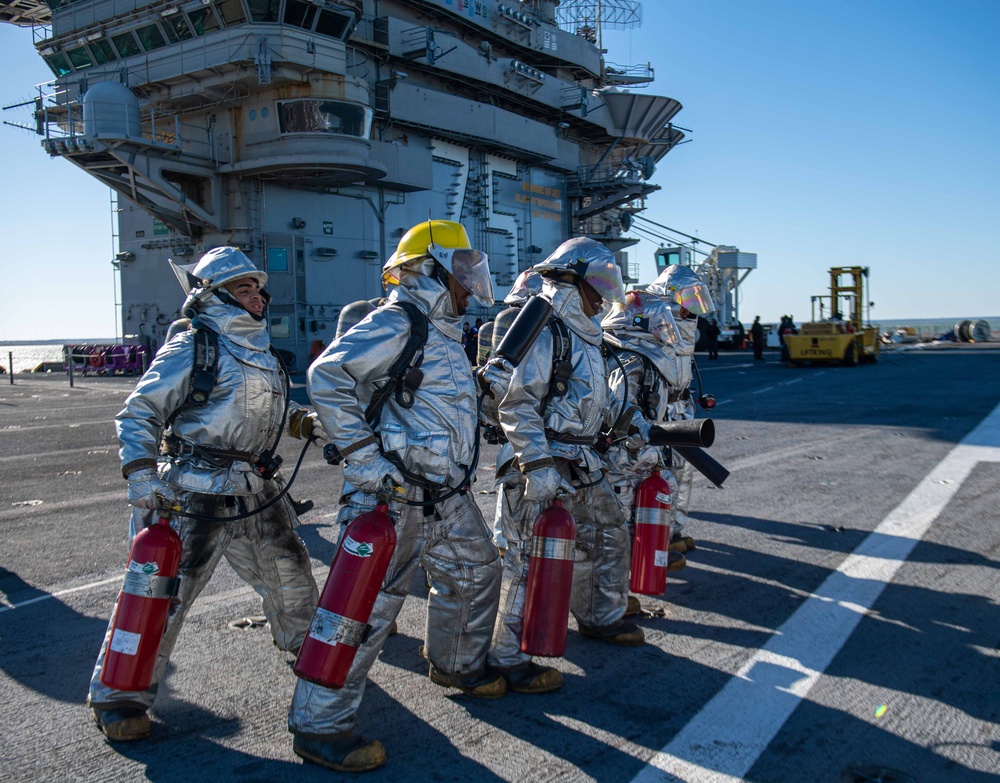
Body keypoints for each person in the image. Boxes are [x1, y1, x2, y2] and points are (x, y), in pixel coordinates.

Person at [289, 220, 504, 773]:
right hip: (393, 495)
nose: (469, 280)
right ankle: (320, 726)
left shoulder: (448, 332)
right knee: (364, 608)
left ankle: (457, 665)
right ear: (430, 267)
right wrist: (364, 461)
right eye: (461, 268)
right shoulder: (399, 319)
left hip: (445, 493)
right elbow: (328, 373)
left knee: (477, 570)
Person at [87, 247, 321, 743]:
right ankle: (120, 695)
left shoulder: (259, 352)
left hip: (255, 490)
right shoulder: (193, 345)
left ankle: (315, 665)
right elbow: (138, 413)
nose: (256, 296)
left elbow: (267, 413)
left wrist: (306, 423)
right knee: (163, 597)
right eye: (243, 289)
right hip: (192, 491)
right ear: (213, 296)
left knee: (292, 578)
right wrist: (140, 475)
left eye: (257, 288)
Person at [488, 237, 651, 695]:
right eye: (596, 284)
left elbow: (601, 399)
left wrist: (634, 424)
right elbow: (515, 404)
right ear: (571, 280)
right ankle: (507, 657)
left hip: (581, 458)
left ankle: (599, 616)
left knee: (609, 531)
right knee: (524, 559)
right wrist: (537, 465)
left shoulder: (588, 333)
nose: (602, 295)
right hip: (541, 459)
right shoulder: (544, 327)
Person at [601, 289, 688, 604]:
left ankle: (624, 592)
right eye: (659, 324)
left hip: (639, 457)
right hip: (622, 461)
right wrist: (640, 429)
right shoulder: (627, 358)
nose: (664, 330)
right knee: (618, 534)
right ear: (637, 324)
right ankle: (612, 603)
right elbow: (615, 405)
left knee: (634, 526)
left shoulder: (640, 355)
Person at [645, 264, 716, 555]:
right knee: (664, 475)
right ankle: (657, 538)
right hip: (660, 413)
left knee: (684, 474)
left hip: (682, 408)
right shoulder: (650, 324)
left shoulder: (684, 331)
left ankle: (674, 530)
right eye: (687, 303)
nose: (691, 311)